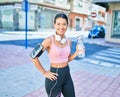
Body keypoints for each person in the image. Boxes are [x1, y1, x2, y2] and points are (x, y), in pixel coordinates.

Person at [31, 13, 85, 97]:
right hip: (54, 78)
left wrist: (76, 53)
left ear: (67, 25)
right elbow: (33, 56)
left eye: (64, 24)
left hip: (67, 74)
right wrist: (44, 72)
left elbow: (66, 59)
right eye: (58, 24)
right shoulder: (49, 40)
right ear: (54, 25)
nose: (61, 27)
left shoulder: (68, 41)